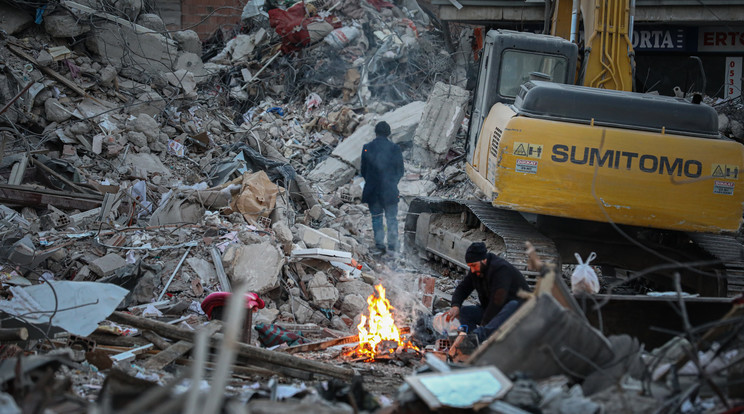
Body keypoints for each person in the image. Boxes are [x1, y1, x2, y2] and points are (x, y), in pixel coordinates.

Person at [445, 242, 531, 342]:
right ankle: (471, 343)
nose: (472, 270)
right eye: (470, 266)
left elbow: (497, 301)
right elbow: (463, 288)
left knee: (513, 305)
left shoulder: (501, 269)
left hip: (515, 313)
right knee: (465, 312)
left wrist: (483, 326)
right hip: (495, 312)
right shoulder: (476, 270)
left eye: (474, 266)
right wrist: (455, 305)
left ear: (484, 260)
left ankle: (476, 339)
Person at [360, 121, 404, 254]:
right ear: (388, 133)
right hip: (390, 190)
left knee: (376, 217)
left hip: (373, 190)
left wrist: (372, 181)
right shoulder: (395, 148)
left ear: (376, 132)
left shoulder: (367, 147)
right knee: (391, 218)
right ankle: (392, 246)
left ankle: (379, 245)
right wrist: (392, 182)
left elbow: (363, 170)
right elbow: (400, 171)